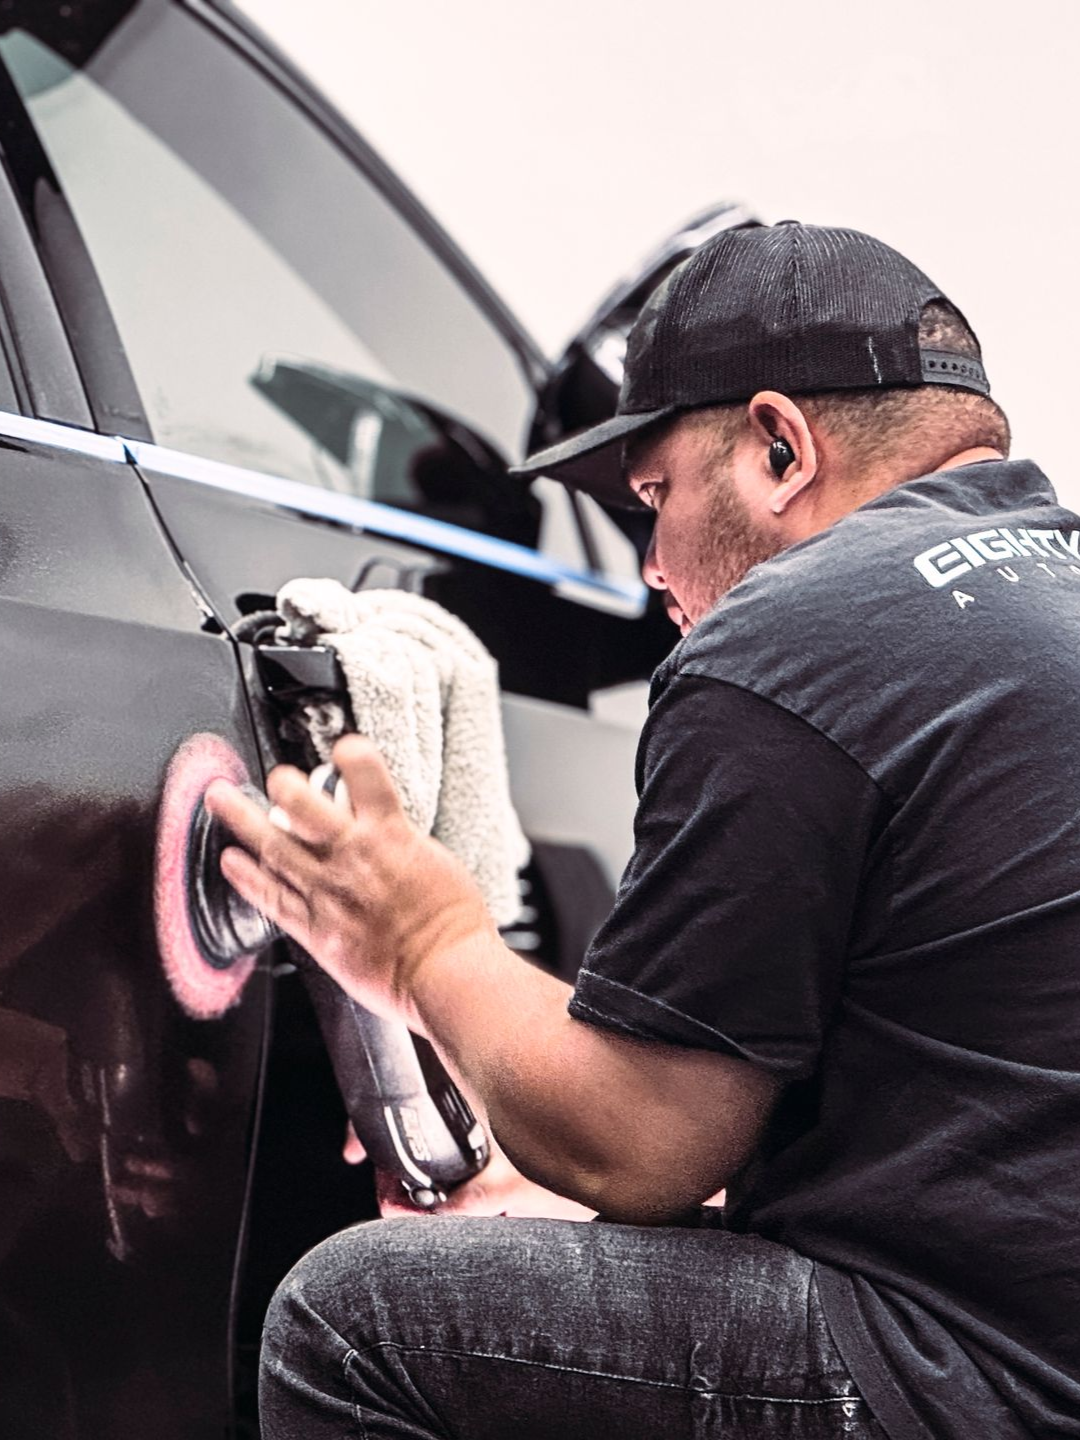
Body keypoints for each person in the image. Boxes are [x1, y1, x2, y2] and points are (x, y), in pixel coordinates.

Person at [207, 222, 1080, 1440]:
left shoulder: (798, 636)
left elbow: (640, 1146)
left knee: (356, 1322)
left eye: (655, 498)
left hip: (987, 1380)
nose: (651, 570)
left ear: (779, 448)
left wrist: (425, 946)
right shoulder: (1042, 600)